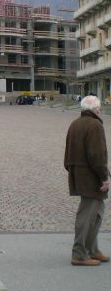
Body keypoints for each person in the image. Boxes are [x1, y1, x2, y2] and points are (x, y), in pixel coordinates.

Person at [64, 95, 111, 266]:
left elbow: (67, 154)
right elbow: (97, 156)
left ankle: (92, 249)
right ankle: (79, 253)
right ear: (96, 109)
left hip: (79, 173)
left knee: (97, 212)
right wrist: (104, 177)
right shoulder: (95, 125)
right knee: (87, 213)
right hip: (91, 175)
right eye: (99, 108)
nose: (101, 110)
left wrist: (73, 170)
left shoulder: (75, 123)